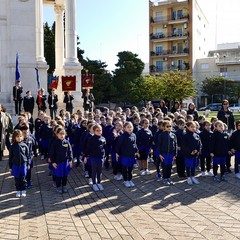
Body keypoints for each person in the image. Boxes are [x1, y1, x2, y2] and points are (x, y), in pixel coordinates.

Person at [49, 126, 73, 194]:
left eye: (63, 133)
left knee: (65, 175)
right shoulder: (54, 143)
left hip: (65, 162)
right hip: (57, 163)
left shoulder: (66, 142)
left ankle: (64, 186)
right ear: (57, 134)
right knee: (58, 176)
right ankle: (58, 186)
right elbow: (51, 153)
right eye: (60, 133)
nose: (62, 135)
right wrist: (53, 162)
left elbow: (70, 151)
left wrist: (70, 160)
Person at [116, 122, 139, 188]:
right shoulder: (123, 136)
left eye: (130, 127)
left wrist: (136, 151)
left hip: (131, 155)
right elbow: (118, 145)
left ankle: (130, 179)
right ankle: (125, 180)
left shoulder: (134, 135)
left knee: (130, 168)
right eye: (128, 127)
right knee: (124, 168)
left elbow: (135, 144)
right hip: (124, 155)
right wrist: (117, 153)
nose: (129, 128)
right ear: (124, 128)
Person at [9, 129, 30, 197]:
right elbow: (10, 158)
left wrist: (28, 163)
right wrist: (10, 167)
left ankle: (23, 190)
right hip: (15, 165)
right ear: (14, 137)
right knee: (17, 179)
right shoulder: (12, 147)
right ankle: (18, 190)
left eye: (20, 136)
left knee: (23, 178)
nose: (19, 138)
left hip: (23, 165)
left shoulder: (24, 145)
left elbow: (28, 155)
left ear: (22, 137)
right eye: (17, 136)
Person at [85, 124, 106, 191]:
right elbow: (88, 148)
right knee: (94, 171)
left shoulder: (103, 138)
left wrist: (104, 156)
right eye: (97, 130)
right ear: (94, 131)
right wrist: (85, 156)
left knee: (99, 171)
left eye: (100, 130)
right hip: (94, 157)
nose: (99, 132)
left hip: (101, 157)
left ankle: (99, 182)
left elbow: (104, 147)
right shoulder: (91, 139)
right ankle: (94, 183)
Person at [157, 120, 177, 185]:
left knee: (170, 166)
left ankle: (168, 177)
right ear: (164, 127)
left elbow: (175, 145)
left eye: (170, 126)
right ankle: (165, 178)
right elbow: (159, 145)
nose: (169, 127)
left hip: (171, 154)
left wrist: (175, 154)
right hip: (164, 154)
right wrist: (160, 154)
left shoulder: (173, 135)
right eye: (167, 126)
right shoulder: (161, 135)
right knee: (165, 166)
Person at [182, 121, 201, 185]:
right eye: (191, 127)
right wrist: (190, 151)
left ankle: (193, 176)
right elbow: (184, 146)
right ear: (187, 127)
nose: (193, 128)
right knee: (188, 166)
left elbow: (199, 144)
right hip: (188, 154)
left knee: (193, 166)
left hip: (195, 155)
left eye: (194, 127)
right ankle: (188, 177)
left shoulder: (197, 135)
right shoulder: (185, 136)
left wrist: (198, 150)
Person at [21, 123, 38, 188]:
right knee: (23, 171)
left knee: (29, 170)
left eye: (27, 132)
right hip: (22, 159)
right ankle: (23, 181)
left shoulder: (31, 139)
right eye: (24, 132)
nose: (26, 134)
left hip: (29, 158)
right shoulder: (20, 140)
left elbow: (34, 147)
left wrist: (36, 154)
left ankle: (28, 181)